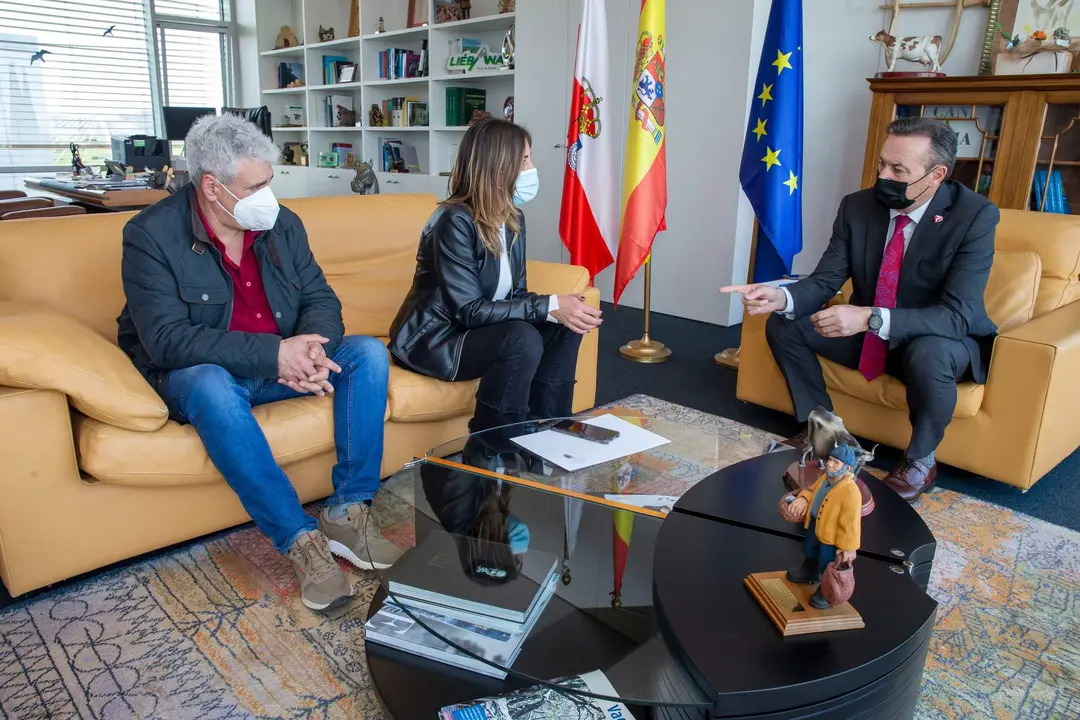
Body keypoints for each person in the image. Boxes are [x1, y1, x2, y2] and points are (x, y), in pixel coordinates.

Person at [116, 112, 402, 613]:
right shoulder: (149, 236)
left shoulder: (280, 223)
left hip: (283, 362)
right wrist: (276, 355)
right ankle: (299, 540)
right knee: (206, 383)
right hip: (218, 376)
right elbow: (166, 340)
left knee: (367, 353)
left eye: (270, 181)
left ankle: (349, 510)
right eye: (255, 185)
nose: (268, 195)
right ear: (211, 186)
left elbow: (320, 296)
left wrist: (312, 344)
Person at [722, 117, 999, 503]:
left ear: (937, 175)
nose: (884, 175)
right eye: (882, 164)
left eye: (898, 169)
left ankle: (921, 459)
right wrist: (781, 297)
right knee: (787, 324)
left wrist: (869, 317)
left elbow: (957, 315)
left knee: (929, 351)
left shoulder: (974, 216)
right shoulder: (858, 206)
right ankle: (824, 432)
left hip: (939, 340)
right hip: (869, 334)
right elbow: (825, 281)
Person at [389, 118, 602, 437]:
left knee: (565, 323)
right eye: (525, 159)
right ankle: (493, 444)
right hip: (435, 341)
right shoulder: (454, 220)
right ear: (499, 167)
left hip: (478, 331)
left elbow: (516, 295)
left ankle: (548, 430)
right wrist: (549, 304)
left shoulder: (513, 218)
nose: (532, 167)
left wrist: (560, 308)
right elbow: (469, 311)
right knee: (522, 337)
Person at [780, 444, 862, 610]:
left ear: (847, 468)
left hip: (831, 538)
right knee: (810, 550)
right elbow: (811, 490)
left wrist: (848, 548)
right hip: (815, 525)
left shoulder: (851, 492)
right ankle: (809, 571)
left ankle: (826, 590)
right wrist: (802, 498)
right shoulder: (826, 478)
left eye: (836, 462)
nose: (830, 464)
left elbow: (851, 524)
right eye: (830, 459)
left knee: (827, 561)